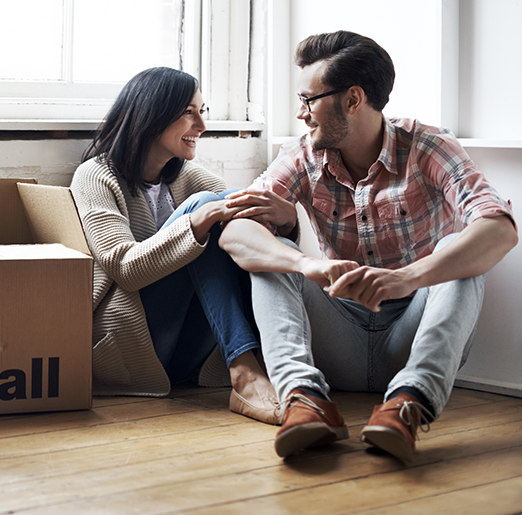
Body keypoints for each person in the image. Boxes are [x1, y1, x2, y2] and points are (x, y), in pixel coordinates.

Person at [220, 31, 517, 461]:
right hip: (336, 336)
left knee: (459, 253)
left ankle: (408, 405)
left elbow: (499, 228)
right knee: (271, 255)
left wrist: (404, 278)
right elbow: (234, 232)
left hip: (413, 337)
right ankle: (304, 401)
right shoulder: (302, 154)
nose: (302, 114)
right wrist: (307, 265)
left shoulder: (428, 146)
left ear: (353, 99)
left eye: (309, 100)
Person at [70, 66, 281, 424]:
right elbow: (125, 269)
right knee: (205, 209)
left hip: (188, 353)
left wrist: (278, 217)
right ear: (151, 115)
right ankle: (246, 371)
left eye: (203, 111)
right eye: (189, 112)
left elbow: (238, 211)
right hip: (134, 345)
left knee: (230, 205)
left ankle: (274, 360)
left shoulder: (186, 175)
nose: (201, 125)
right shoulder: (96, 175)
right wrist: (197, 221)